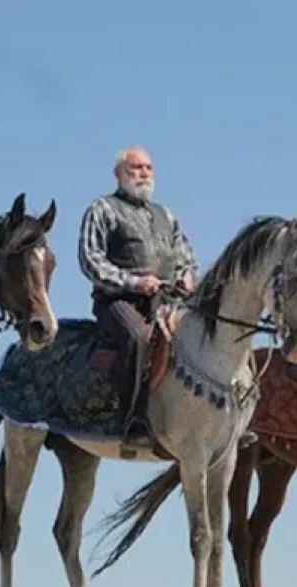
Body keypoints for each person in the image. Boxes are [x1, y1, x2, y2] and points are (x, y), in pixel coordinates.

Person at [78, 146, 199, 451]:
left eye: (148, 168)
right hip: (119, 301)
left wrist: (186, 277)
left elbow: (185, 256)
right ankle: (133, 421)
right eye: (136, 168)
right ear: (118, 174)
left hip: (166, 300)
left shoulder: (166, 215)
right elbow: (90, 260)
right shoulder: (102, 209)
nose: (144, 173)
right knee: (138, 337)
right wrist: (133, 282)